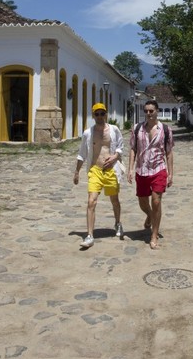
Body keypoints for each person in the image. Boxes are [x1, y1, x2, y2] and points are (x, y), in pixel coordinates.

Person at [73, 103, 125, 248]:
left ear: (106, 114)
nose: (100, 116)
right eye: (97, 114)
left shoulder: (114, 130)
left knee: (114, 200)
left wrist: (115, 156)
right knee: (91, 202)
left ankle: (118, 223)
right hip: (95, 170)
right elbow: (82, 153)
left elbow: (120, 147)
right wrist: (77, 172)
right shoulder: (88, 133)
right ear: (93, 115)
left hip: (111, 170)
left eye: (102, 113)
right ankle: (90, 235)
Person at [128, 99, 174, 250]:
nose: (148, 114)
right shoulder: (137, 129)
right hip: (141, 170)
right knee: (143, 202)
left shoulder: (165, 130)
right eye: (146, 111)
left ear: (157, 111)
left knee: (156, 201)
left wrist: (170, 173)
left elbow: (169, 153)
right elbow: (133, 149)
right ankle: (149, 215)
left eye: (151, 111)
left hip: (158, 169)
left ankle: (154, 235)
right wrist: (130, 169)